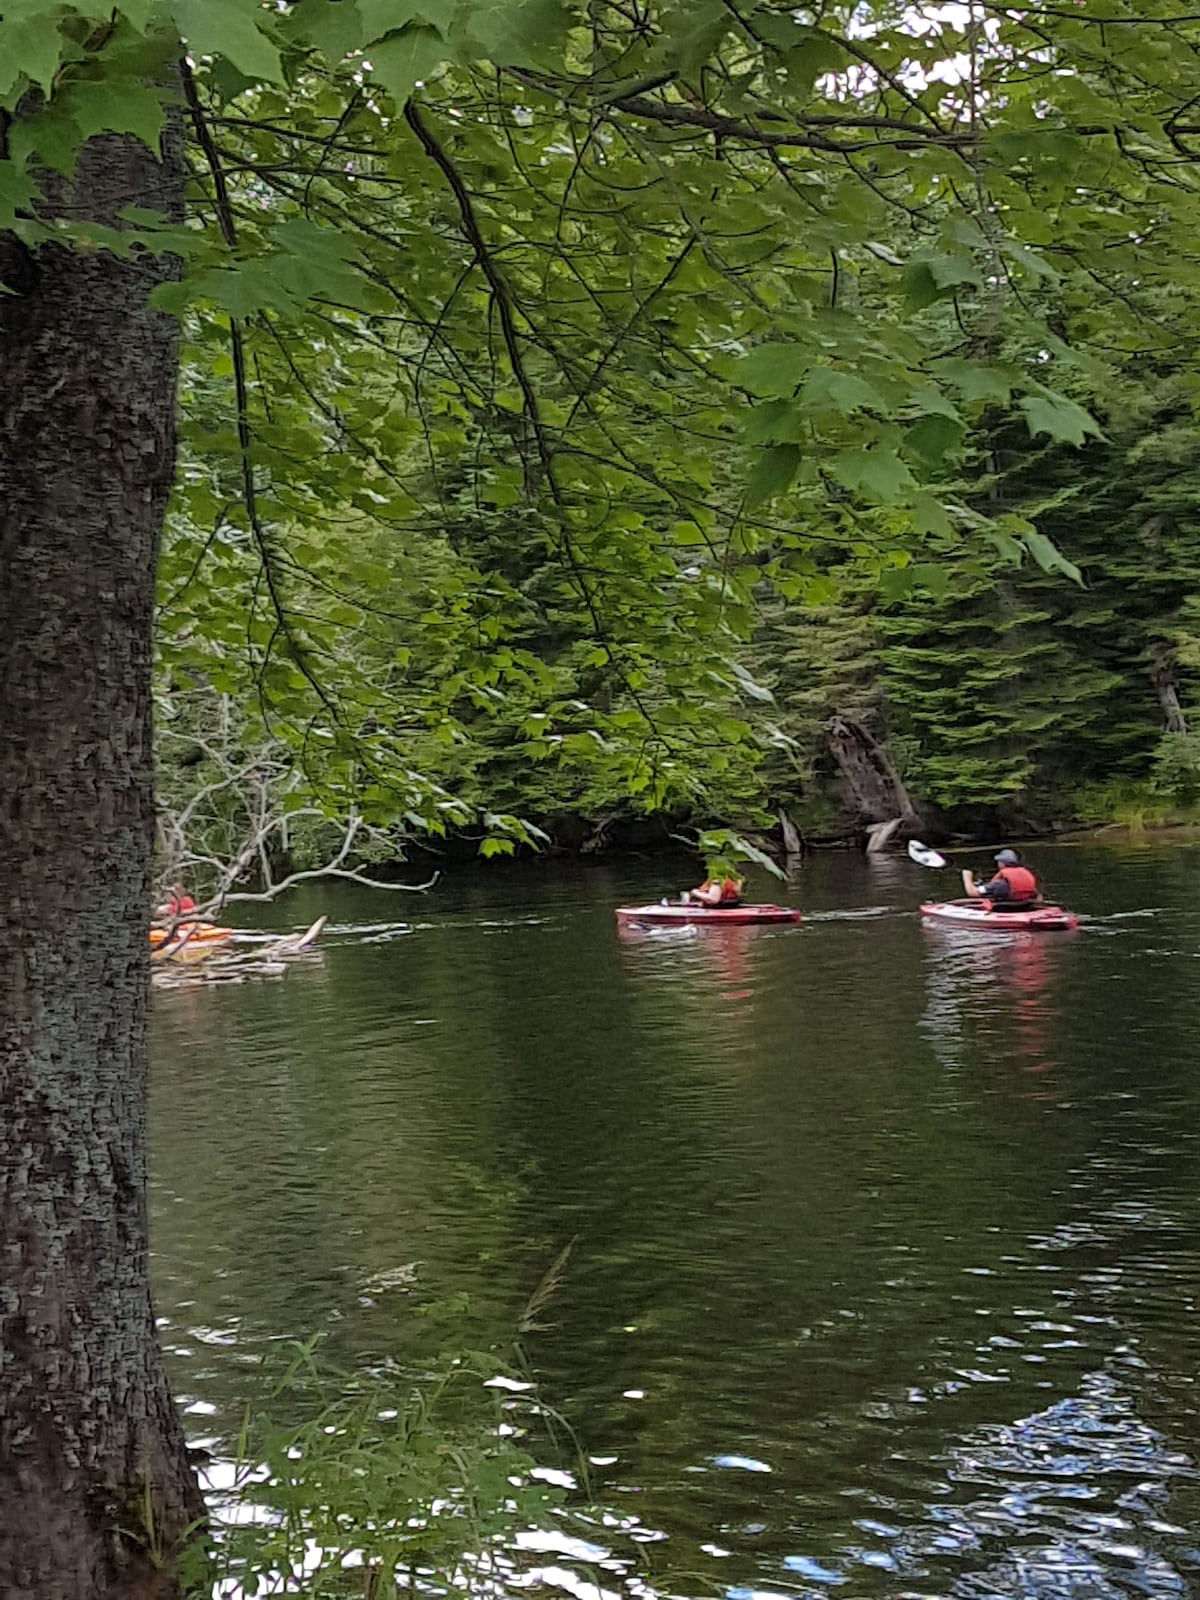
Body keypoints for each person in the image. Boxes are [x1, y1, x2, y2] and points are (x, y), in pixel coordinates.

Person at [962, 849, 1040, 907]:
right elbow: (1038, 897)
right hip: (1024, 906)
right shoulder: (1026, 876)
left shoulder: (998, 884)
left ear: (1001, 864)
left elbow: (972, 892)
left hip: (1005, 910)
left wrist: (967, 876)